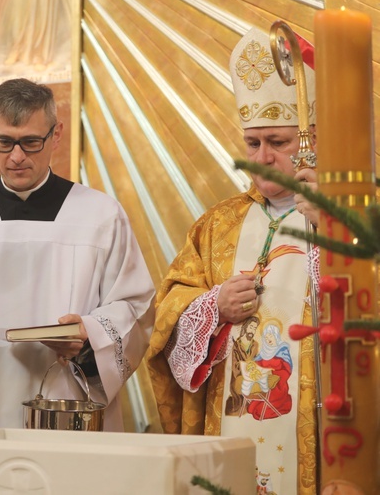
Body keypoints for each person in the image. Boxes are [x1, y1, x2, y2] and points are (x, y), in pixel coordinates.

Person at [0, 78, 155, 432]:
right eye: (4, 142)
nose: (16, 157)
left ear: (56, 135)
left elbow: (136, 307)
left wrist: (89, 336)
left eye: (31, 142)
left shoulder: (100, 216)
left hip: (70, 409)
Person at [145, 28, 319, 494]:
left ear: (309, 141)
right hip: (233, 420)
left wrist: (334, 229)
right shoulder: (217, 226)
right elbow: (164, 320)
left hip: (315, 431)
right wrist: (211, 308)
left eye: (278, 143)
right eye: (252, 143)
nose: (263, 158)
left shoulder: (352, 215)